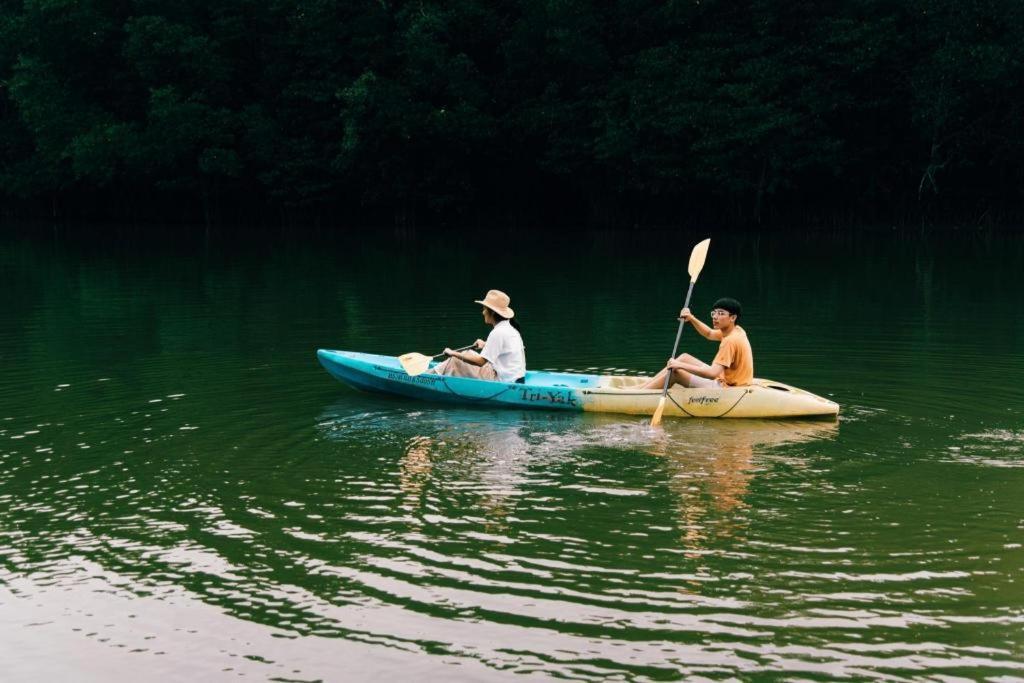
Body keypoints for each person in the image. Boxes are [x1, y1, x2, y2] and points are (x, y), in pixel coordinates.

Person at [642, 297, 753, 390]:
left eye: (721, 314)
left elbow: (712, 374)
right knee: (684, 357)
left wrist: (680, 365)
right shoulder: (736, 330)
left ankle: (639, 393)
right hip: (728, 379)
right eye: (714, 313)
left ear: (733, 317)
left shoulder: (730, 341)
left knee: (675, 373)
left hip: (728, 387)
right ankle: (642, 387)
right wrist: (691, 319)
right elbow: (709, 333)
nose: (715, 317)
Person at [428, 289, 526, 383]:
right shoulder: (510, 328)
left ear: (492, 312)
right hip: (516, 378)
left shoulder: (498, 332)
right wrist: (485, 344)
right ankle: (435, 372)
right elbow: (504, 348)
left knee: (455, 360)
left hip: (502, 380)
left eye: (484, 309)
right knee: (468, 352)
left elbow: (480, 362)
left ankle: (427, 377)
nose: (483, 312)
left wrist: (453, 353)